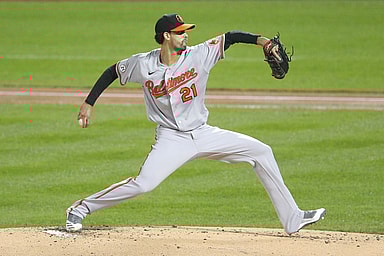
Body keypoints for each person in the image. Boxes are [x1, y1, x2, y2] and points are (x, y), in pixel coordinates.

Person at [66, 14, 326, 234]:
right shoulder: (142, 64)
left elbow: (231, 36)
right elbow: (113, 71)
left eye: (186, 32)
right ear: (166, 36)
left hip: (203, 133)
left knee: (262, 151)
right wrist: (89, 103)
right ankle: (80, 208)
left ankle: (292, 218)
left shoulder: (199, 55)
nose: (185, 36)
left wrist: (264, 41)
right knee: (144, 184)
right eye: (180, 33)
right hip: (171, 139)